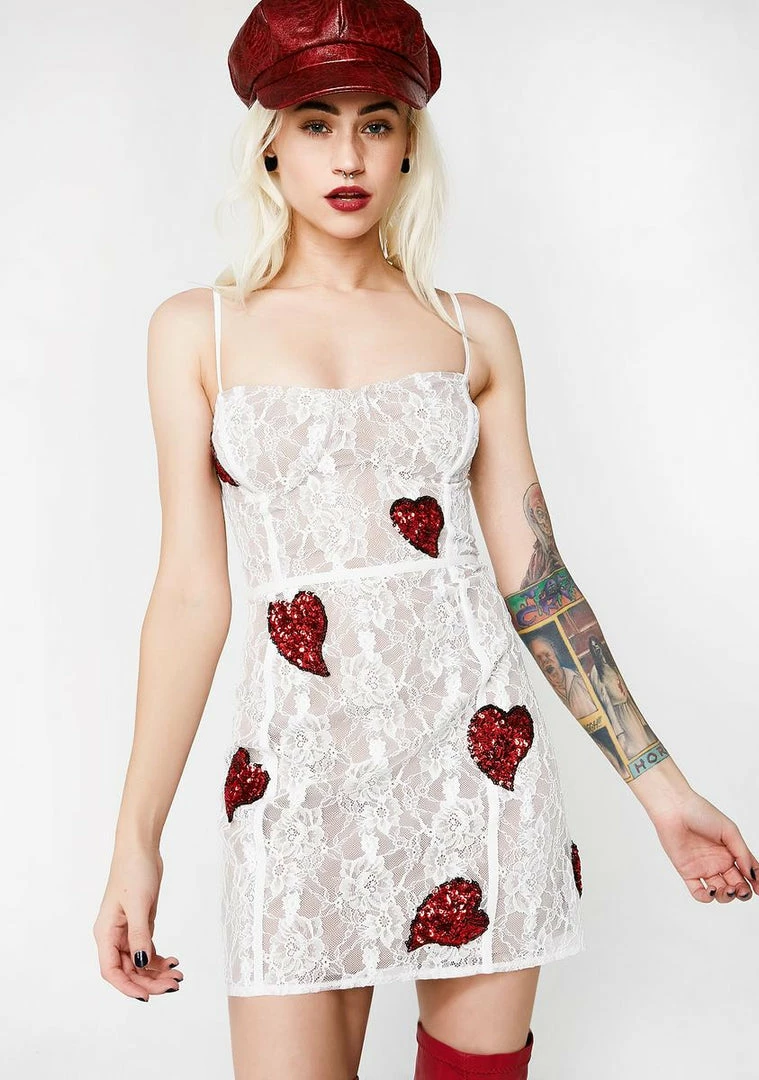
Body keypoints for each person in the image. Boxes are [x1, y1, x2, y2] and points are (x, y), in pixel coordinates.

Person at [92, 2, 758, 1077]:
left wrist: (663, 790)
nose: (348, 156)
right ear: (268, 142)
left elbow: (538, 584)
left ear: (410, 143)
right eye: (316, 122)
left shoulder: (470, 330)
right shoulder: (195, 332)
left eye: (377, 122)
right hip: (299, 775)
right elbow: (189, 595)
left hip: (477, 769)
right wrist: (137, 840)